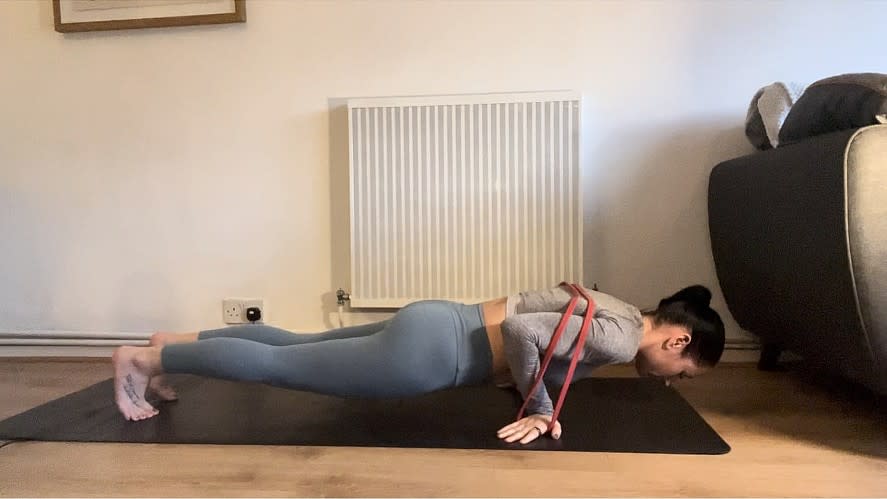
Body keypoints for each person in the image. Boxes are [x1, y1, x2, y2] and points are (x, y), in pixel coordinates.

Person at [112, 283, 725, 445]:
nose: (677, 382)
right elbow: (520, 331)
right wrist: (540, 408)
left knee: (293, 345)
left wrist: (539, 396)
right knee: (281, 368)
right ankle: (144, 358)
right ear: (677, 345)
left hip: (438, 318)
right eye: (686, 374)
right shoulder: (620, 341)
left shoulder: (618, 306)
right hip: (434, 353)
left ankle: (173, 342)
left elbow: (532, 338)